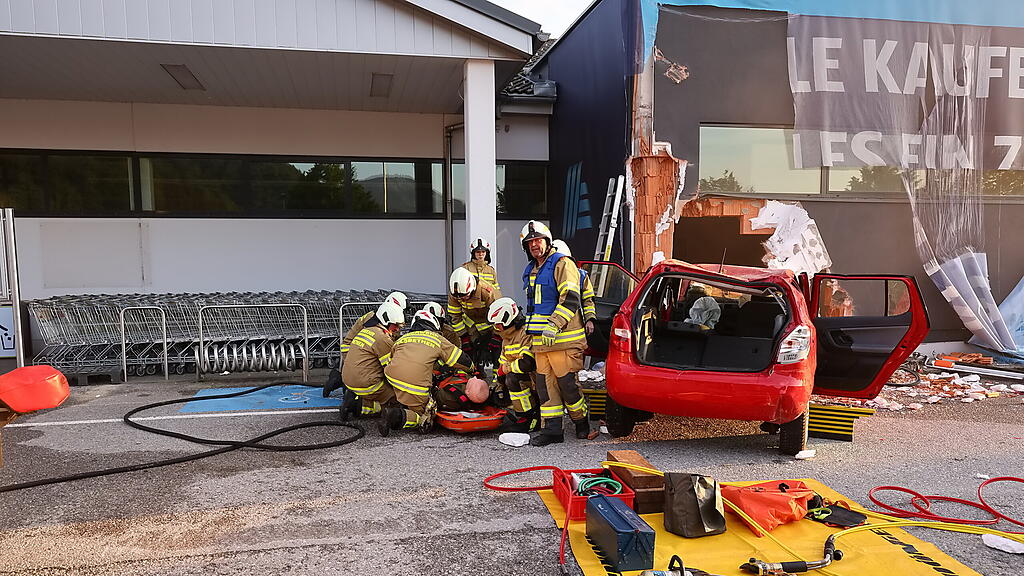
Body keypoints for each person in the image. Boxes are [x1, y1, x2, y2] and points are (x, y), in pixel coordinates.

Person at [520, 220, 589, 446]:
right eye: (530, 243)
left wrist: (554, 324)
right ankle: (552, 430)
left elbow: (570, 298)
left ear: (547, 241)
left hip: (562, 340)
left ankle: (582, 424)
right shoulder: (532, 269)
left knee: (568, 386)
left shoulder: (562, 264)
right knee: (545, 388)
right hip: (541, 342)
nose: (534, 245)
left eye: (538, 240)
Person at [380, 310, 476, 435]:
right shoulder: (436, 338)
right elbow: (461, 359)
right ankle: (396, 416)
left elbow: (391, 362)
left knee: (408, 394)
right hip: (415, 383)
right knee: (427, 415)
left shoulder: (402, 339)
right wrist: (472, 369)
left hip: (392, 379)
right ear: (433, 327)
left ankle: (402, 405)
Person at [325, 291, 408, 397]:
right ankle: (340, 384)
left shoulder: (380, 317)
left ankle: (350, 391)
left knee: (357, 373)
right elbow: (378, 343)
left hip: (357, 348)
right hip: (353, 348)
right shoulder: (376, 320)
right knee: (364, 374)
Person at [337, 301, 404, 420]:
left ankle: (355, 405)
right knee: (398, 398)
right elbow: (391, 370)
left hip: (348, 380)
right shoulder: (383, 338)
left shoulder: (366, 330)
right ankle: (366, 407)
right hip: (366, 384)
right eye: (395, 325)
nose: (397, 329)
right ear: (386, 322)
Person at [488, 297, 540, 433]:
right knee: (503, 386)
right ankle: (521, 414)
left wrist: (505, 370)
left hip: (535, 380)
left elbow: (527, 364)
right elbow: (501, 364)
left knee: (512, 378)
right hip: (524, 378)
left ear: (507, 319)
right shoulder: (507, 338)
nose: (496, 328)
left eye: (497, 324)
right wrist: (497, 385)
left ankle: (529, 417)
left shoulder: (525, 333)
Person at [447, 267, 502, 364]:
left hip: (490, 324)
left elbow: (498, 315)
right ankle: (475, 373)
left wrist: (496, 336)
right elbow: (455, 316)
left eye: (465, 296)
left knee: (496, 351)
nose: (462, 299)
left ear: (472, 288)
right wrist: (464, 338)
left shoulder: (486, 291)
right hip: (471, 324)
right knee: (471, 352)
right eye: (459, 297)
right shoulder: (455, 294)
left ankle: (497, 375)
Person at [552, 239, 597, 337]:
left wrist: (589, 319)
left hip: (574, 326)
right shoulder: (546, 275)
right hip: (552, 325)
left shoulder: (581, 276)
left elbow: (588, 299)